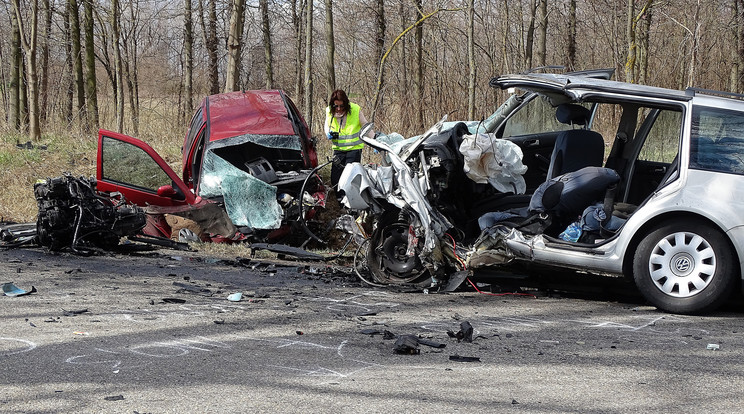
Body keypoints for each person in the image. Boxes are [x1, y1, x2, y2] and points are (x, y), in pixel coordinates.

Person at [324, 89, 375, 192]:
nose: (338, 109)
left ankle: (350, 202)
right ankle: (340, 201)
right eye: (336, 106)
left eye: (341, 106)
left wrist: (374, 141)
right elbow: (326, 125)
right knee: (336, 178)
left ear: (346, 104)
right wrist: (328, 133)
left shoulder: (355, 110)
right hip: (338, 150)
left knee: (349, 178)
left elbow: (365, 126)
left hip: (354, 150)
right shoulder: (329, 111)